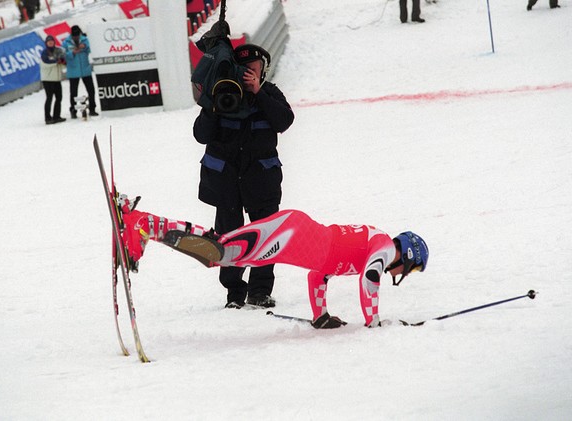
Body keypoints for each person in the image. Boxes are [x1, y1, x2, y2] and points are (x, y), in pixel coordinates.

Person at [118, 202, 429, 328]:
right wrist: (374, 323)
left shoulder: (366, 248)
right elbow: (371, 278)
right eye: (412, 269)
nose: (405, 274)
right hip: (294, 235)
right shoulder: (386, 247)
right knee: (222, 252)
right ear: (409, 255)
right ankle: (141, 223)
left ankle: (143, 226)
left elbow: (318, 275)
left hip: (295, 236)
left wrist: (320, 317)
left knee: (219, 254)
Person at [193, 43, 294, 309]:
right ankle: (234, 293)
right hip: (226, 182)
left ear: (263, 71)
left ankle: (260, 291)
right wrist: (214, 104)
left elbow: (284, 121)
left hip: (261, 181)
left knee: (266, 236)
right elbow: (201, 135)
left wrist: (258, 93)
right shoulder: (222, 93)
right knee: (228, 238)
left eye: (253, 69)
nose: (247, 73)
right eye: (243, 68)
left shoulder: (270, 94)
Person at [62, 25, 98, 119]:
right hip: (73, 71)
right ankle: (73, 110)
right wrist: (73, 53)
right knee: (73, 92)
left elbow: (92, 49)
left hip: (85, 69)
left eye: (77, 35)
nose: (76, 38)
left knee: (91, 90)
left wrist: (85, 47)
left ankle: (92, 108)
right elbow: (63, 56)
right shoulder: (66, 42)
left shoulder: (85, 40)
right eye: (74, 36)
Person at [40, 35, 66, 125]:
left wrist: (62, 62)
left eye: (52, 41)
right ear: (46, 43)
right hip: (48, 79)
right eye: (49, 42)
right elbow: (45, 63)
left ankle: (56, 116)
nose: (50, 43)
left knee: (59, 97)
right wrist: (56, 62)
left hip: (56, 79)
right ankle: (47, 118)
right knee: (49, 98)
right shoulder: (44, 53)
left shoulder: (57, 51)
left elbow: (62, 63)